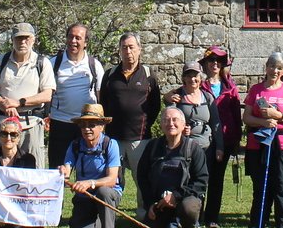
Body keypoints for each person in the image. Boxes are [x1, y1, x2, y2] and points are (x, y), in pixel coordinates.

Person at [100, 31, 161, 212]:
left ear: (139, 49)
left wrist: (144, 125)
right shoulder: (110, 75)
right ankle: (110, 214)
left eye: (131, 47)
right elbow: (102, 104)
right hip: (113, 139)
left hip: (139, 139)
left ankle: (144, 213)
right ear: (119, 51)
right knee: (114, 179)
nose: (128, 51)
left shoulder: (149, 75)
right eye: (124, 47)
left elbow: (155, 106)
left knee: (142, 179)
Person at [242, 52, 283, 228]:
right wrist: (263, 122)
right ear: (266, 67)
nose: (275, 70)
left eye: (279, 68)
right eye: (272, 66)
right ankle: (257, 222)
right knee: (260, 183)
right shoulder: (256, 90)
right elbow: (247, 117)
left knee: (281, 183)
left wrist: (279, 116)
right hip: (259, 140)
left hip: (282, 141)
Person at [136, 106, 209, 228]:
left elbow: (201, 181)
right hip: (160, 203)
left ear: (183, 125)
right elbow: (142, 177)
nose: (170, 124)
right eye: (166, 120)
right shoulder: (152, 147)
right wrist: (150, 203)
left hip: (184, 200)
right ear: (161, 125)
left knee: (189, 207)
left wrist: (176, 196)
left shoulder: (194, 149)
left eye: (175, 120)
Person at [0, 22, 55, 161]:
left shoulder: (42, 62)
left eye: (26, 38)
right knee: (0, 167)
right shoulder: (1, 61)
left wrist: (18, 103)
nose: (22, 42)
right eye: (18, 38)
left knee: (33, 169)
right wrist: (5, 103)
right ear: (12, 40)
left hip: (31, 124)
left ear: (33, 39)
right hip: (3, 124)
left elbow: (47, 95)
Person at [57, 104, 120, 228]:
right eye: (83, 125)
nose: (87, 129)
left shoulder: (110, 145)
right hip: (84, 198)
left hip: (107, 196)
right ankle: (101, 224)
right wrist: (63, 171)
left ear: (102, 127)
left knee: (104, 192)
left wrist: (90, 183)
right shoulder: (75, 145)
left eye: (92, 125)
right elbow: (67, 167)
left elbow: (111, 180)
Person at [48, 22, 104, 169]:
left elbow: (100, 95)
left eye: (78, 38)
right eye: (70, 37)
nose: (73, 41)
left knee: (87, 169)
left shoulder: (94, 65)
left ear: (85, 42)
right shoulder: (53, 63)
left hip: (85, 124)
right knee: (57, 170)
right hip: (60, 122)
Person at [197, 45, 241, 228]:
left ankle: (212, 217)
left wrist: (236, 139)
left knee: (217, 179)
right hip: (203, 140)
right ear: (205, 65)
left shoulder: (230, 88)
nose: (215, 64)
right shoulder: (199, 85)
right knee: (200, 178)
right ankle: (197, 216)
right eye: (211, 61)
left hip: (225, 138)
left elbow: (236, 116)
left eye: (218, 61)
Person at [166, 61, 219, 154]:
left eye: (195, 76)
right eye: (189, 76)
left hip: (207, 147)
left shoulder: (207, 97)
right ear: (184, 78)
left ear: (201, 78)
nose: (192, 79)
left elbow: (216, 123)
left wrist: (219, 147)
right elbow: (170, 121)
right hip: (184, 147)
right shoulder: (177, 96)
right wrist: (181, 130)